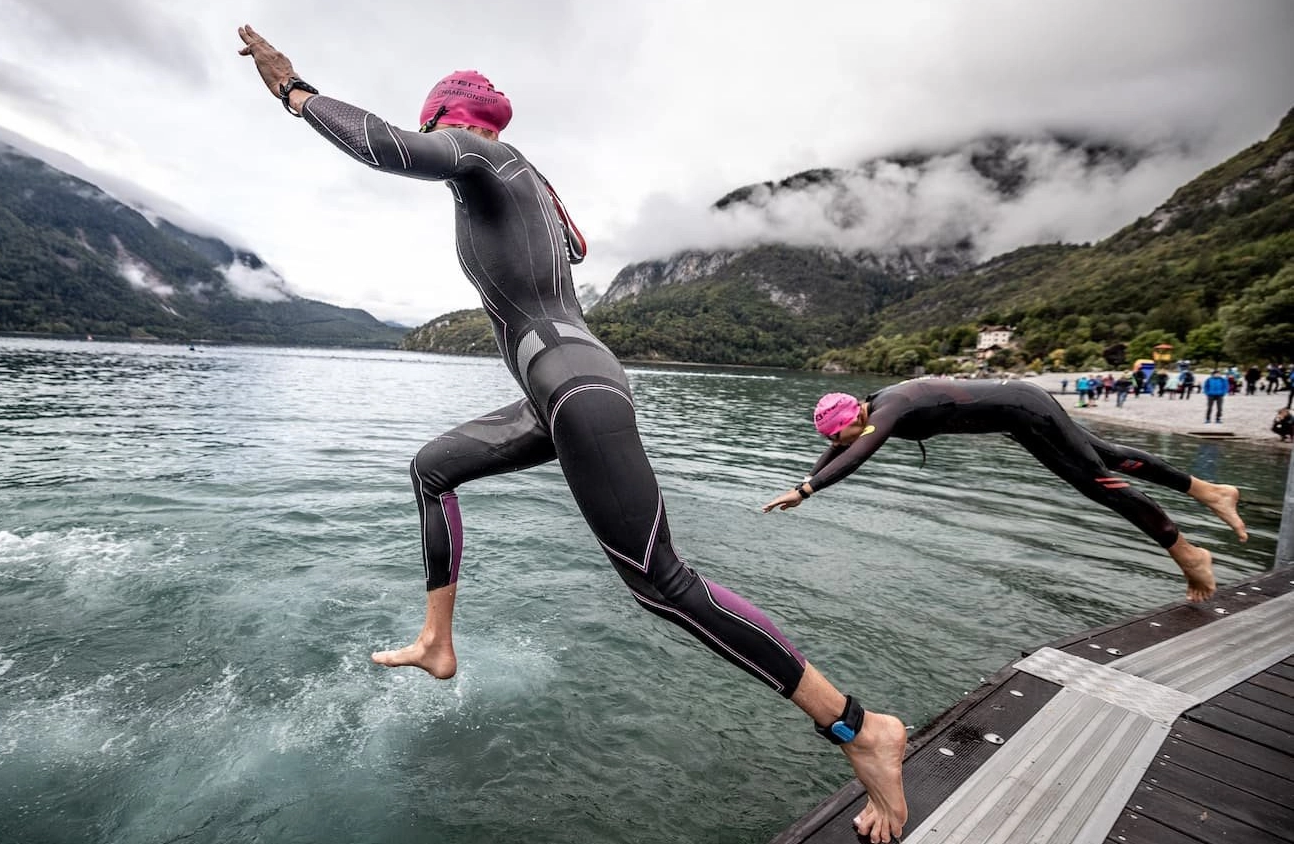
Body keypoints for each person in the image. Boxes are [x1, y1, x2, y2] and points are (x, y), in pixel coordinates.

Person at [234, 25, 908, 841]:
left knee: (662, 583)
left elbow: (386, 146)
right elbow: (576, 246)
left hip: (575, 385)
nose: (443, 145)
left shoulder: (478, 155)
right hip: (558, 387)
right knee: (432, 468)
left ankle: (859, 727)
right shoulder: (524, 177)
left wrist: (291, 89)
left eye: (444, 128)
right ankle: (436, 641)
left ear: (454, 120)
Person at [761, 380, 1247, 603]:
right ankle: (1209, 491)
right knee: (1113, 459)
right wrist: (800, 485)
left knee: (1101, 482)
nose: (837, 445)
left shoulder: (890, 410)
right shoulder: (869, 414)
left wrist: (806, 490)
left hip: (1027, 408)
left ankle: (1189, 555)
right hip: (1018, 419)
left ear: (856, 419)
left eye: (839, 436)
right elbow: (843, 451)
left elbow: (857, 454)